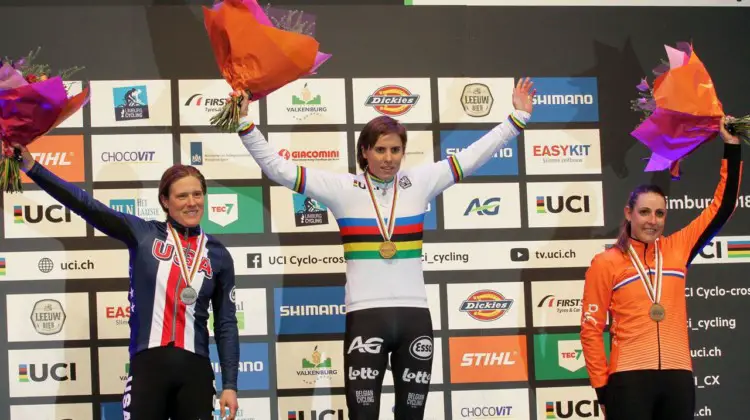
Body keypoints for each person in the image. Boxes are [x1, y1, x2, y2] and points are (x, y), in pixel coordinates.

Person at [233, 78, 535, 419]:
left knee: (412, 415)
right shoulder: (342, 188)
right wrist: (245, 124)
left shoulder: (419, 183)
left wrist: (515, 120)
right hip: (366, 317)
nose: (389, 158)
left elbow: (472, 156)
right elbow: (280, 169)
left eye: (395, 150)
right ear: (365, 151)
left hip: (414, 317)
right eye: (380, 149)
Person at [14, 144, 240, 420]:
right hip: (148, 367)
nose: (191, 202)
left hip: (196, 370)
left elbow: (227, 323)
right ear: (165, 202)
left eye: (197, 194)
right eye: (182, 196)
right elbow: (86, 205)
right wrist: (32, 168)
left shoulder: (218, 254)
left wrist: (230, 385)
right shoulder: (143, 234)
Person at [580, 118, 743, 420]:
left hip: (678, 377)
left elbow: (723, 207)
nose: (652, 220)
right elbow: (591, 330)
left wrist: (731, 147)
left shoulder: (678, 248)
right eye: (644, 212)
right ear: (629, 213)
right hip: (628, 379)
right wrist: (603, 389)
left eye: (659, 213)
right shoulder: (606, 263)